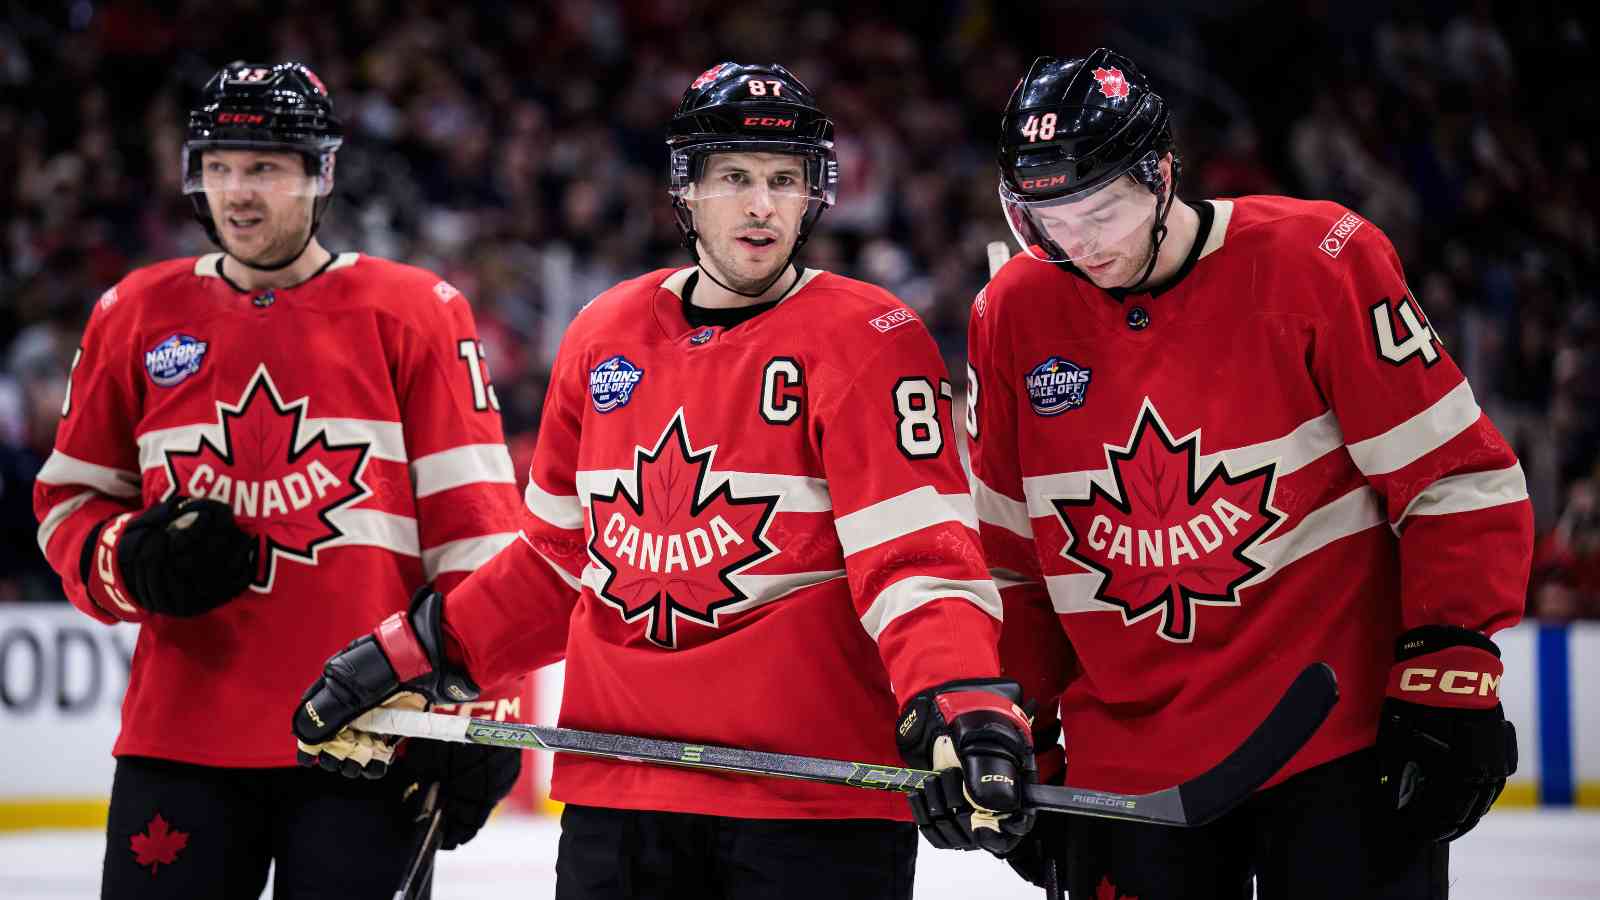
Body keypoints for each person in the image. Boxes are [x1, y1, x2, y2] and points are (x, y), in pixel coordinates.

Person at [293, 61, 1035, 899]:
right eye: (735, 178)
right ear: (687, 190)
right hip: (621, 795)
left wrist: (960, 697)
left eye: (784, 181)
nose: (761, 204)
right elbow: (553, 564)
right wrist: (413, 652)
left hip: (810, 805)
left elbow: (917, 560)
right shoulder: (601, 332)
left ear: (811, 194)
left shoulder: (870, 338)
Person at [968, 49, 1531, 900]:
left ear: (1160, 176)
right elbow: (1011, 560)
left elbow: (1453, 477)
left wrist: (1452, 667)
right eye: (1044, 219)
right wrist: (1022, 733)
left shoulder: (1317, 258)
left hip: (1333, 740)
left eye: (1100, 211)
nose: (1075, 244)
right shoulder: (1012, 310)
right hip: (1131, 768)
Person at [32, 61, 525, 899]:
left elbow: (476, 534)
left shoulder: (414, 313)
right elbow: (67, 503)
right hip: (181, 734)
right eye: (218, 167)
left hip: (372, 735)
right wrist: (128, 556)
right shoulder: (135, 313)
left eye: (263, 167)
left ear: (321, 173)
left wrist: (486, 714)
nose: (237, 192)